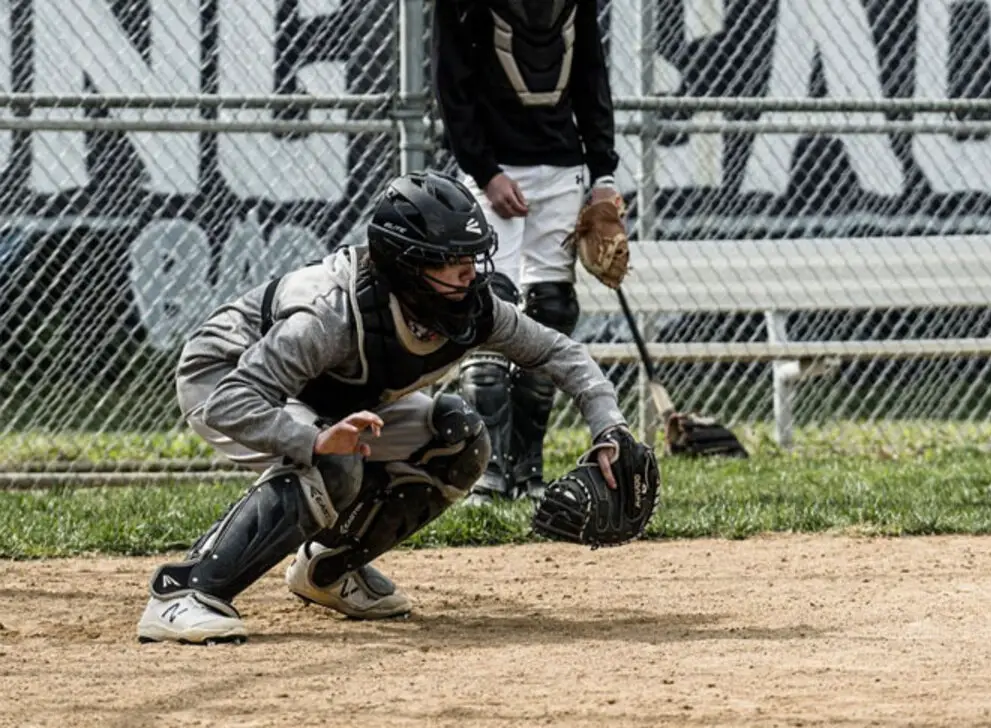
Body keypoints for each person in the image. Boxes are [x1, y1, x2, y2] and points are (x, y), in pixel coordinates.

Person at [135, 170, 634, 645]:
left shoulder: (469, 305)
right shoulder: (329, 314)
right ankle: (185, 590)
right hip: (225, 377)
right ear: (407, 266)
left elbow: (557, 351)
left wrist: (609, 428)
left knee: (457, 437)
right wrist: (311, 441)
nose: (471, 272)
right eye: (452, 260)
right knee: (333, 461)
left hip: (322, 396)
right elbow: (230, 401)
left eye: (474, 256)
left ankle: (327, 569)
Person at [432, 0, 622, 504]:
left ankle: (527, 469)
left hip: (562, 166)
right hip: (495, 167)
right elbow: (451, 86)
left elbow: (589, 75)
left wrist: (602, 175)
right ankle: (487, 472)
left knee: (551, 314)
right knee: (491, 312)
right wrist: (484, 170)